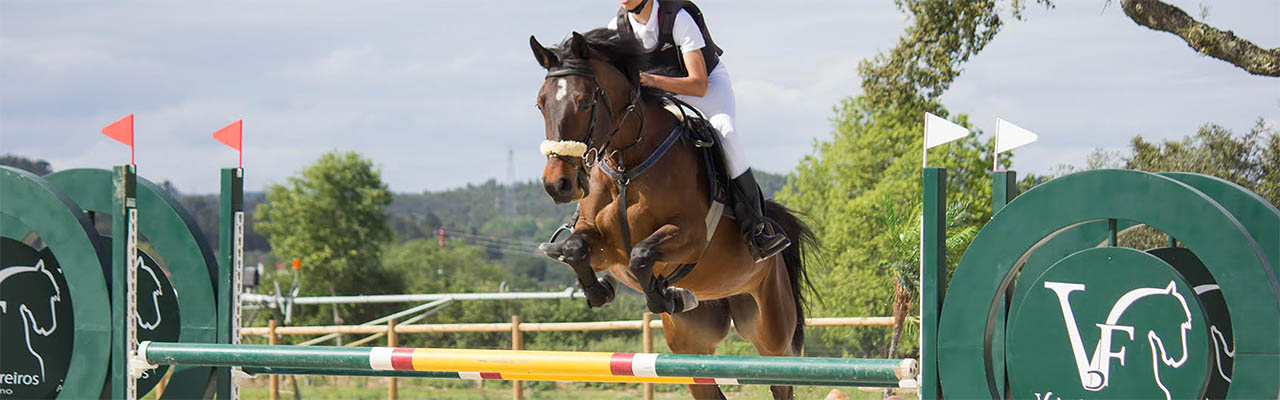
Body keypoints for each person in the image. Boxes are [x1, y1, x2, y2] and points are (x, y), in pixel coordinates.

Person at [607, 0, 789, 261]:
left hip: (706, 89)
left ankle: (756, 228)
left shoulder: (677, 18)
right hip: (660, 94)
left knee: (725, 131)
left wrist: (650, 81)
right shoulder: (617, 27)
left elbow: (698, 85)